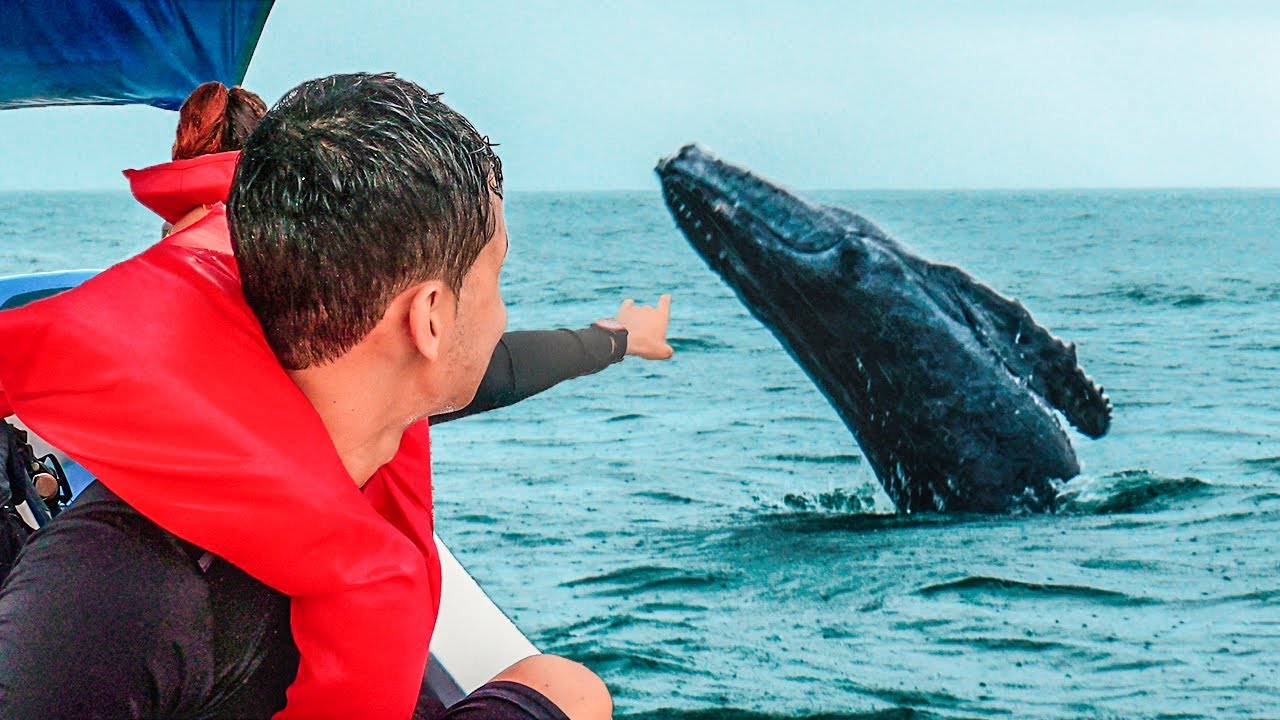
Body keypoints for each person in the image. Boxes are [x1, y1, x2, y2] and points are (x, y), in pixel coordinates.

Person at [0, 73, 630, 719]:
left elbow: (500, 371)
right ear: (430, 318)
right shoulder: (120, 598)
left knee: (568, 687)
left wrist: (616, 340)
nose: (500, 313)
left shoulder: (344, 409)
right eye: (496, 275)